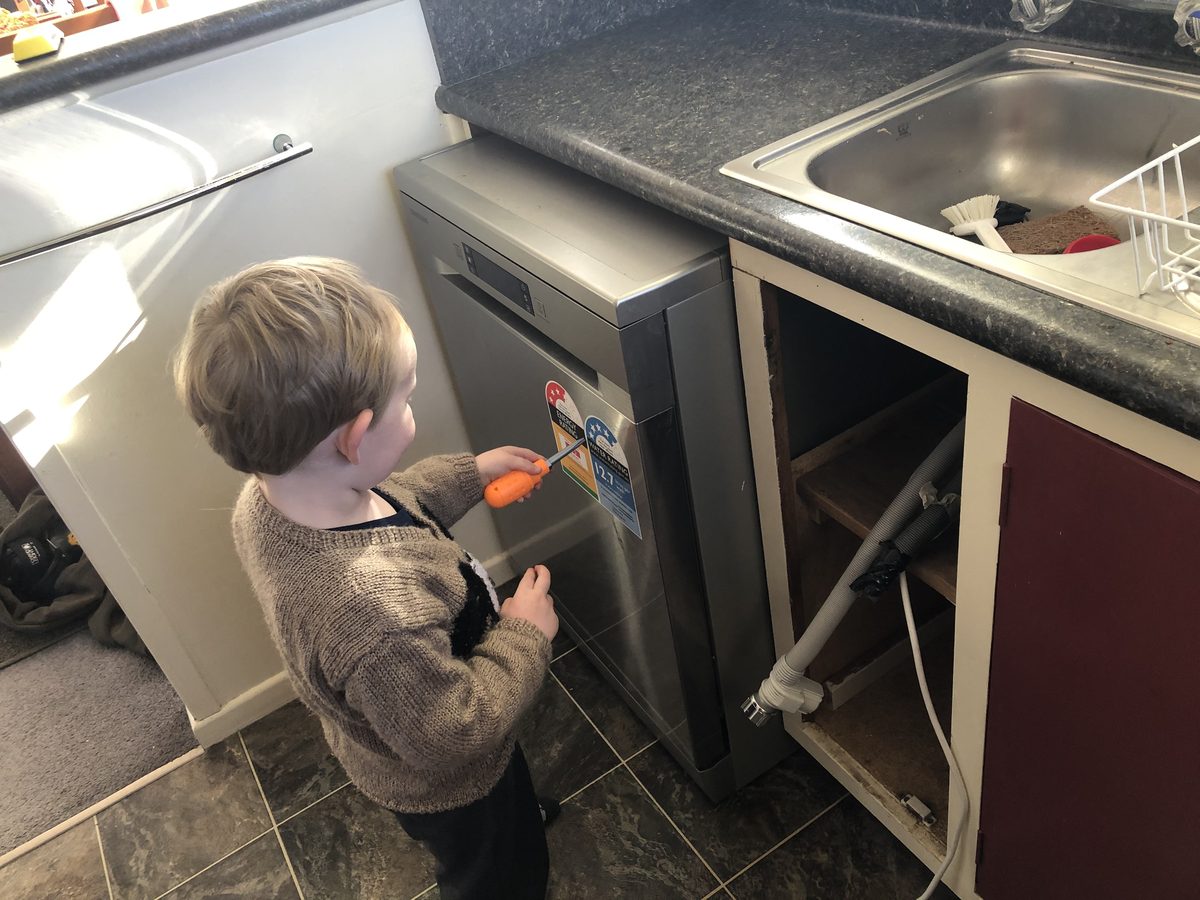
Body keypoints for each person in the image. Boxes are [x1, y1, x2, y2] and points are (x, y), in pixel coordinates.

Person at [173, 257, 559, 899]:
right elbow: (454, 734)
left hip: (411, 728)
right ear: (354, 438)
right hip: (453, 783)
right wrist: (523, 636)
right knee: (495, 869)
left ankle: (514, 828)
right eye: (405, 399)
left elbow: (391, 501)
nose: (413, 409)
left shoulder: (279, 496)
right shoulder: (371, 617)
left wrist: (470, 473)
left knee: (508, 815)